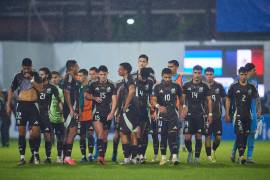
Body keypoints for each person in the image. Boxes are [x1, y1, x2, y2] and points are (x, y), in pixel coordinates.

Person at [7, 58, 43, 165]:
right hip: (21, 106)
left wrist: (31, 79)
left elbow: (41, 89)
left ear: (31, 67)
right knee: (21, 132)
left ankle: (35, 154)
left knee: (35, 132)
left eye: (28, 68)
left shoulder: (36, 75)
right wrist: (8, 104)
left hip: (33, 106)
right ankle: (22, 157)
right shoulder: (17, 76)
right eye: (24, 68)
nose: (26, 70)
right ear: (22, 66)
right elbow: (11, 90)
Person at [226, 67, 261, 164]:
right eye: (241, 74)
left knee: (245, 135)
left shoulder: (251, 87)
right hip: (238, 115)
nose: (243, 76)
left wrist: (258, 110)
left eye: (245, 74)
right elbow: (228, 99)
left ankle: (238, 155)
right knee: (240, 134)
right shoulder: (234, 87)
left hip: (248, 115)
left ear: (247, 75)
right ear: (238, 75)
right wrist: (227, 112)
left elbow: (257, 99)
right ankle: (241, 156)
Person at [181, 65, 213, 164]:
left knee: (199, 136)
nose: (197, 75)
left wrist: (210, 114)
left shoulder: (205, 86)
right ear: (193, 73)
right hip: (189, 115)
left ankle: (197, 158)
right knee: (187, 137)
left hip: (200, 115)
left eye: (199, 73)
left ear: (201, 74)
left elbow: (209, 101)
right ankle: (190, 152)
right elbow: (182, 99)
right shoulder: (186, 85)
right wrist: (183, 108)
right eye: (195, 73)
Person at [151, 68, 182, 165]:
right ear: (162, 76)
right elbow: (153, 100)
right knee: (163, 137)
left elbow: (181, 100)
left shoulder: (176, 86)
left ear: (171, 76)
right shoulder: (157, 86)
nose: (167, 79)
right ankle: (163, 158)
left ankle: (174, 157)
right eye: (165, 77)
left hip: (173, 115)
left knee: (173, 136)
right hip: (162, 116)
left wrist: (182, 109)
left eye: (169, 77)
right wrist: (158, 106)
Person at [87, 65, 117, 164]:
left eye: (104, 74)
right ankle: (100, 157)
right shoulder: (93, 84)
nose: (103, 76)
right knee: (100, 133)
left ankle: (102, 157)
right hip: (97, 112)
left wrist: (112, 113)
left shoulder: (112, 85)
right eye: (101, 74)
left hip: (107, 113)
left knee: (105, 136)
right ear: (98, 75)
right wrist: (94, 98)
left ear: (107, 74)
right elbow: (86, 94)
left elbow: (114, 100)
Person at [37, 67, 63, 164]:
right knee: (41, 136)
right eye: (39, 74)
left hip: (57, 118)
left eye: (42, 74)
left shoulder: (56, 89)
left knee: (58, 137)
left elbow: (61, 101)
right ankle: (38, 155)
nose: (40, 76)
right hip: (44, 116)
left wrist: (62, 111)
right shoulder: (36, 86)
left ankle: (59, 156)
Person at [117, 62, 140, 165]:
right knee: (131, 132)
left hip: (129, 110)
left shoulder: (129, 79)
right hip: (133, 110)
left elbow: (132, 91)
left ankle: (128, 158)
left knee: (125, 133)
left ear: (125, 71)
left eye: (120, 69)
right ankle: (133, 158)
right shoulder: (127, 80)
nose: (118, 71)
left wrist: (125, 106)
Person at [204, 67, 226, 162]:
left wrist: (227, 112)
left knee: (218, 138)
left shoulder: (219, 86)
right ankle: (209, 156)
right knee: (208, 136)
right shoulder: (203, 87)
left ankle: (213, 150)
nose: (209, 76)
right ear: (205, 75)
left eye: (211, 74)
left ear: (213, 75)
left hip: (217, 116)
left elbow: (225, 99)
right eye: (207, 74)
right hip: (206, 116)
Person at [135, 67, 154, 164]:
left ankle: (142, 155)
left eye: (145, 77)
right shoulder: (134, 82)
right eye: (142, 77)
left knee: (144, 134)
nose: (144, 79)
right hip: (134, 112)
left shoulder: (150, 83)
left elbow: (150, 96)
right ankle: (135, 155)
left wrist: (152, 107)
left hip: (145, 112)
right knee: (136, 133)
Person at [167, 59, 186, 161]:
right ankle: (171, 153)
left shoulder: (181, 79)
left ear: (176, 67)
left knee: (177, 133)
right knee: (169, 134)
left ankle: (175, 154)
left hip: (177, 110)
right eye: (168, 66)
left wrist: (183, 109)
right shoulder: (165, 78)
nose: (169, 68)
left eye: (171, 66)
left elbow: (184, 96)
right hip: (167, 111)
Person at [63, 60, 80, 165]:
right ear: (72, 67)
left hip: (72, 108)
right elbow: (66, 92)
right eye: (76, 65)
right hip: (69, 109)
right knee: (72, 131)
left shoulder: (72, 77)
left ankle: (65, 157)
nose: (78, 67)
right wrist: (71, 108)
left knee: (70, 132)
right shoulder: (69, 76)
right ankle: (67, 157)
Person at [77, 69, 95, 163]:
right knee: (82, 136)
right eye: (78, 75)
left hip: (90, 114)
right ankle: (83, 156)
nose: (78, 77)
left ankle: (90, 155)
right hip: (80, 115)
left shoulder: (91, 86)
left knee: (90, 135)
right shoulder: (77, 87)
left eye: (80, 75)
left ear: (85, 76)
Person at [49, 71, 65, 163]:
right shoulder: (47, 89)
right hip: (49, 118)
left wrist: (62, 110)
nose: (54, 79)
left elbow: (62, 104)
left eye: (56, 77)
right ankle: (48, 157)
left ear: (59, 78)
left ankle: (59, 156)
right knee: (48, 138)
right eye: (52, 77)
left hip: (60, 118)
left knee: (60, 139)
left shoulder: (62, 90)